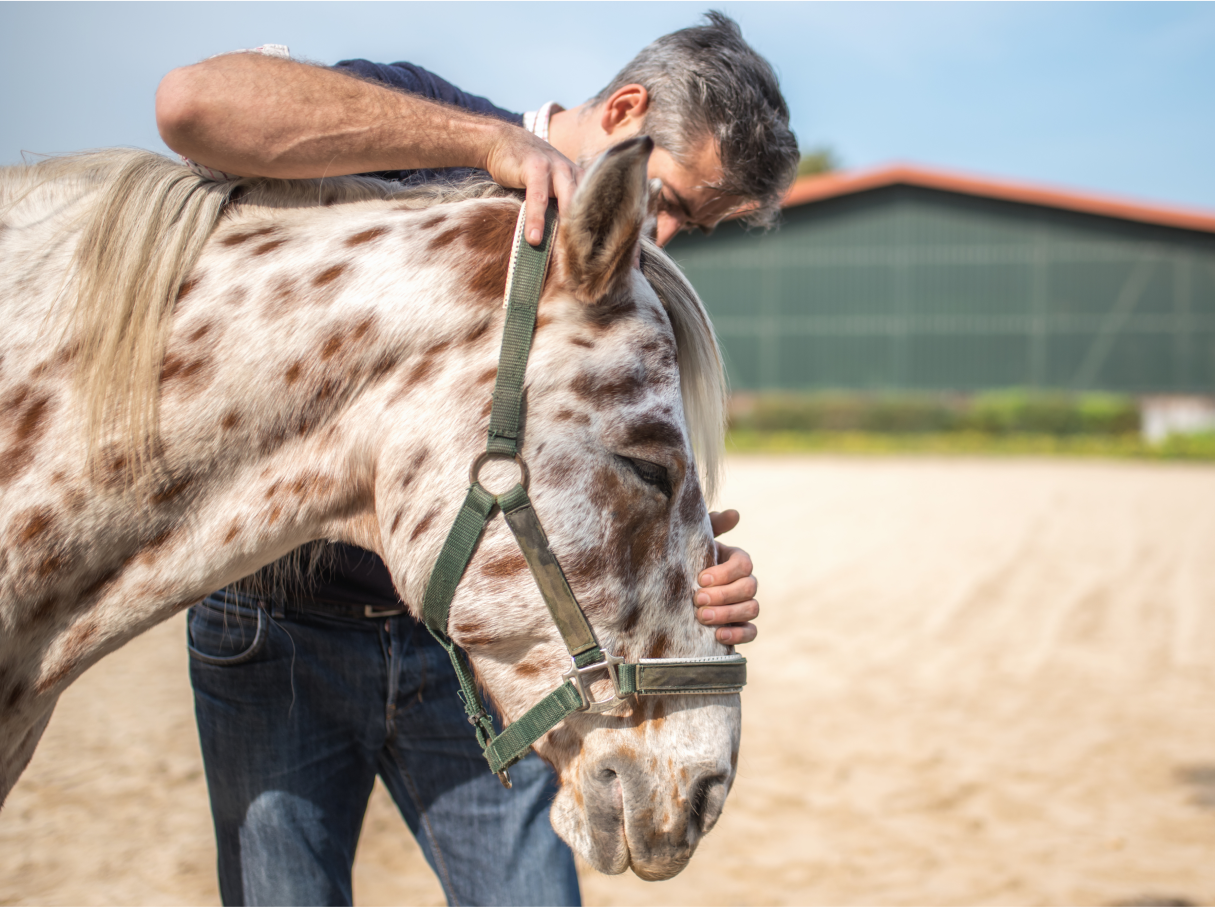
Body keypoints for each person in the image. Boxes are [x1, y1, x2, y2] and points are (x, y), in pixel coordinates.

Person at [156, 12, 797, 907]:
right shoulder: (422, 128)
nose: (668, 239)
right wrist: (484, 141)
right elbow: (193, 106)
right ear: (625, 109)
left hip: (463, 656)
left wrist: (693, 568)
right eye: (673, 202)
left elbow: (605, 488)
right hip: (277, 630)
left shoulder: (630, 286)